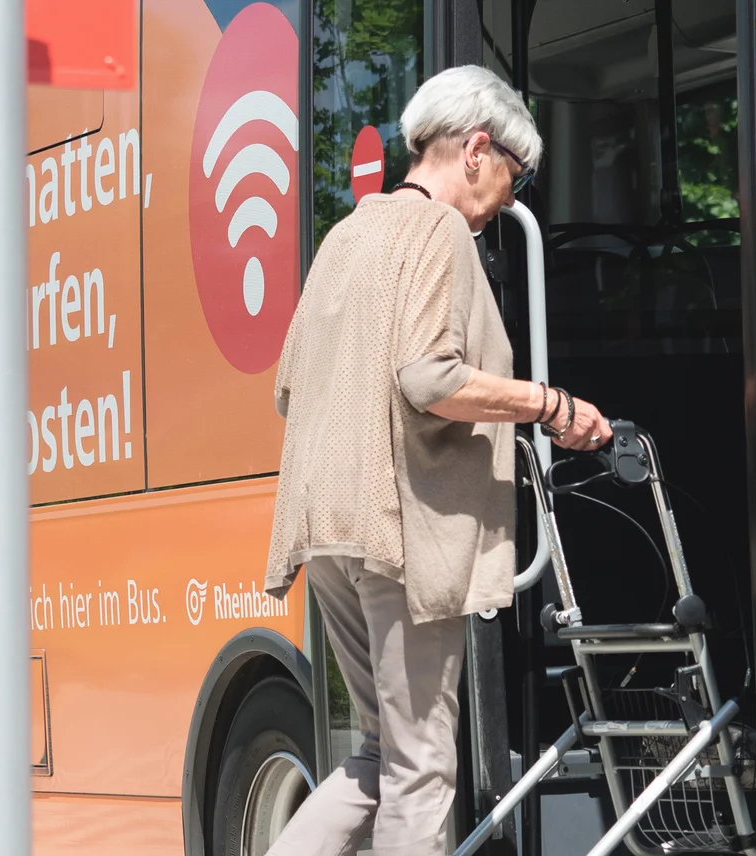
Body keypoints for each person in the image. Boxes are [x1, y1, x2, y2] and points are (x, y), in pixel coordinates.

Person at [261, 65, 613, 856]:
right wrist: (548, 405)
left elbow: (289, 387)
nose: (508, 204)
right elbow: (430, 378)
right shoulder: (441, 231)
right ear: (478, 150)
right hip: (399, 534)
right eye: (512, 179)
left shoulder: (346, 234)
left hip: (326, 529)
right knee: (421, 768)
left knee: (378, 755)